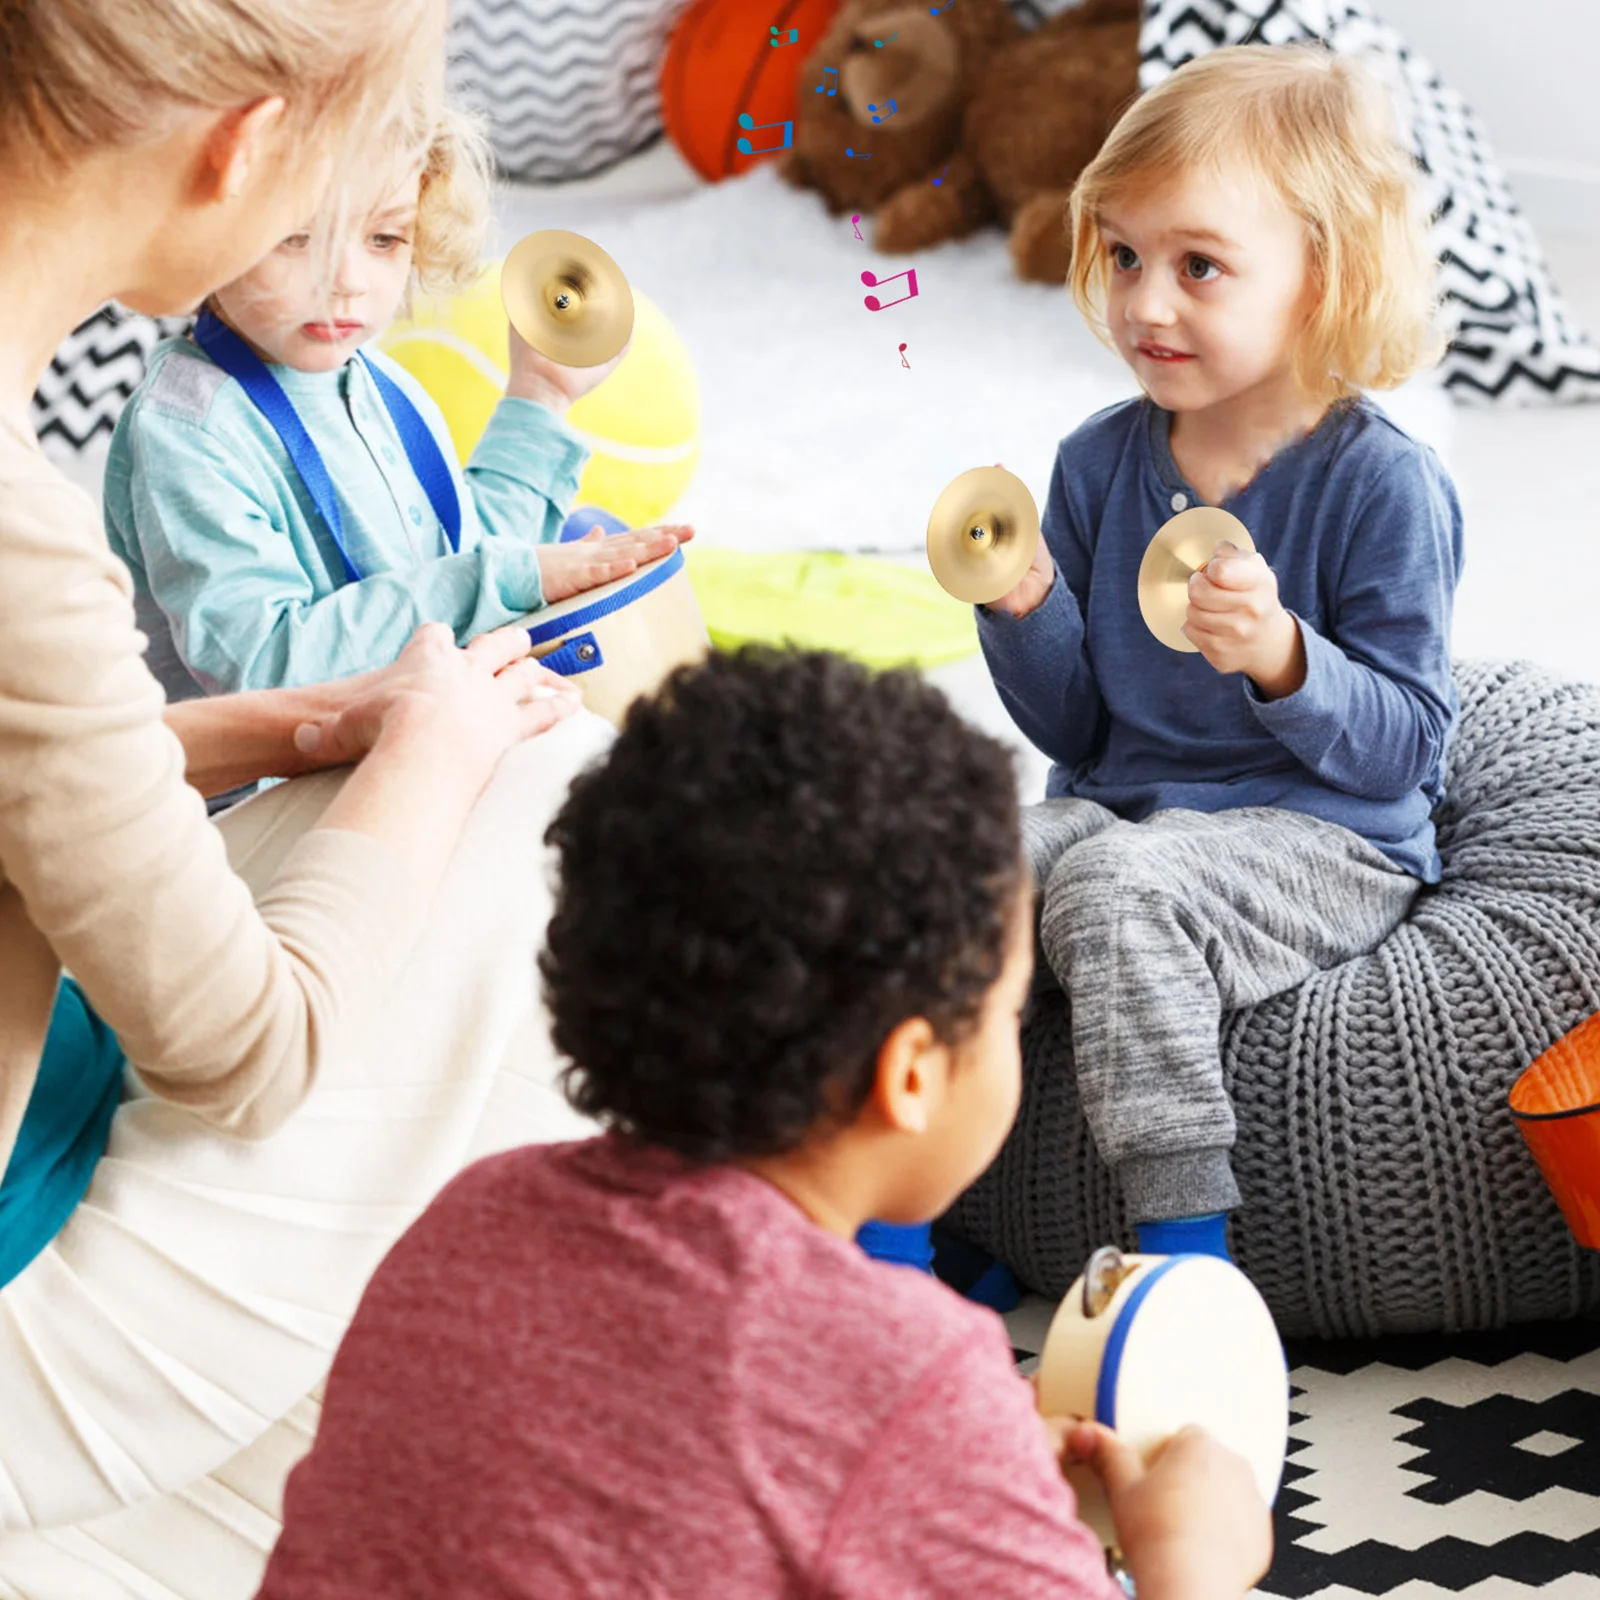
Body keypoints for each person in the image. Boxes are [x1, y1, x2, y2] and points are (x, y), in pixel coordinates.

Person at [253, 647, 1272, 1600]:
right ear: (911, 1072)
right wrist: (1193, 1557)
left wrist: (955, 1477)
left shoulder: (467, 1221)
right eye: (1009, 1014)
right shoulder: (911, 1378)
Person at [0, 0, 609, 1587]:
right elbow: (244, 1059)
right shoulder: (54, 516)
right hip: (24, 1330)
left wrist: (309, 725)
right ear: (250, 146)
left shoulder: (383, 400)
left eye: (389, 237)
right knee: (539, 781)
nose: (347, 272)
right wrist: (423, 754)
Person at [978, 45, 1462, 1262]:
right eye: (1126, 255)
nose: (1145, 303)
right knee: (941, 868)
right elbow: (1080, 733)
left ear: (1322, 278)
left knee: (1112, 892)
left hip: (1323, 836)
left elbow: (1406, 742)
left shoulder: (1381, 483)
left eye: (1198, 266)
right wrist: (1027, 606)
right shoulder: (1097, 464)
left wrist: (1285, 657)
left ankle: (1183, 1247)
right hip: (1129, 808)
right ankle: (924, 1212)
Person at [104, 100, 688, 707]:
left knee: (596, 548)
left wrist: (542, 394)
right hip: (281, 787)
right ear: (206, 227)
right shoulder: (186, 431)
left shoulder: (374, 378)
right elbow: (264, 668)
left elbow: (460, 569)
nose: (348, 280)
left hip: (411, 723)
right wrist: (518, 575)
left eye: (383, 238)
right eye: (298, 238)